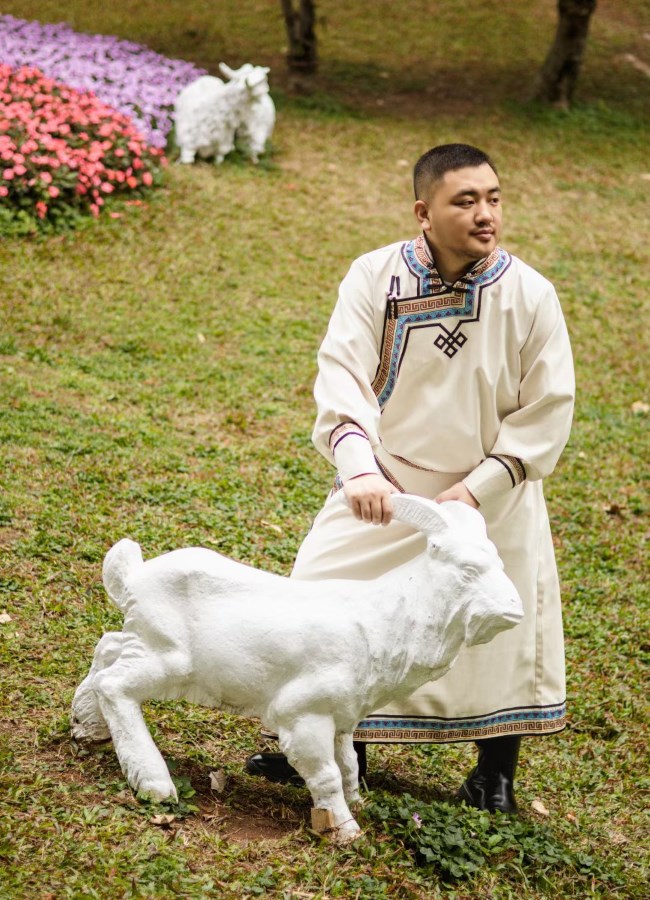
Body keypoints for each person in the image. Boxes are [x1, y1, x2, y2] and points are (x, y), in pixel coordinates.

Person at [246, 143, 575, 812]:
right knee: (322, 592)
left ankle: (495, 773)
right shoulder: (373, 276)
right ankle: (339, 743)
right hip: (387, 486)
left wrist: (477, 490)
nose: (485, 214)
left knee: (497, 618)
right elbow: (343, 375)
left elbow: (547, 408)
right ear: (424, 212)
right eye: (465, 201)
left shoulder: (531, 295)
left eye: (494, 198)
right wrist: (361, 472)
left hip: (489, 495)